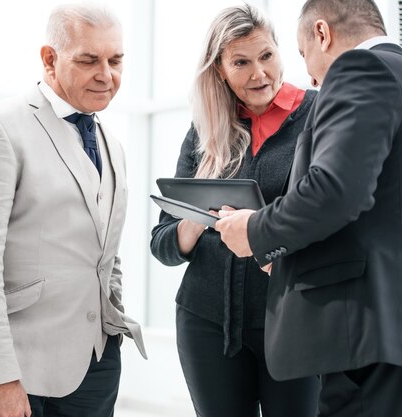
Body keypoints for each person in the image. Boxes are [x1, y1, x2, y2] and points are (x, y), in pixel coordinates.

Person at [215, 0, 402, 416]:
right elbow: (383, 215)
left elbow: (334, 190)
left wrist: (256, 231)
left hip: (366, 337)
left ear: (323, 34)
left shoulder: (360, 70)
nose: (310, 76)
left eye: (301, 52)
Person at [0, 3, 146, 417]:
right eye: (89, 60)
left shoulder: (112, 142)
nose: (106, 74)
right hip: (16, 369)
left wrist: (113, 318)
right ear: (50, 59)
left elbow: (104, 250)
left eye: (115, 60)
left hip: (94, 366)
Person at [150, 4, 319, 417]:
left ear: (281, 51)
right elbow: (162, 244)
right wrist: (193, 222)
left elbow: (332, 215)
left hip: (293, 325)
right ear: (221, 70)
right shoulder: (206, 128)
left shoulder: (318, 114)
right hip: (205, 324)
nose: (259, 73)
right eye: (241, 62)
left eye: (266, 56)